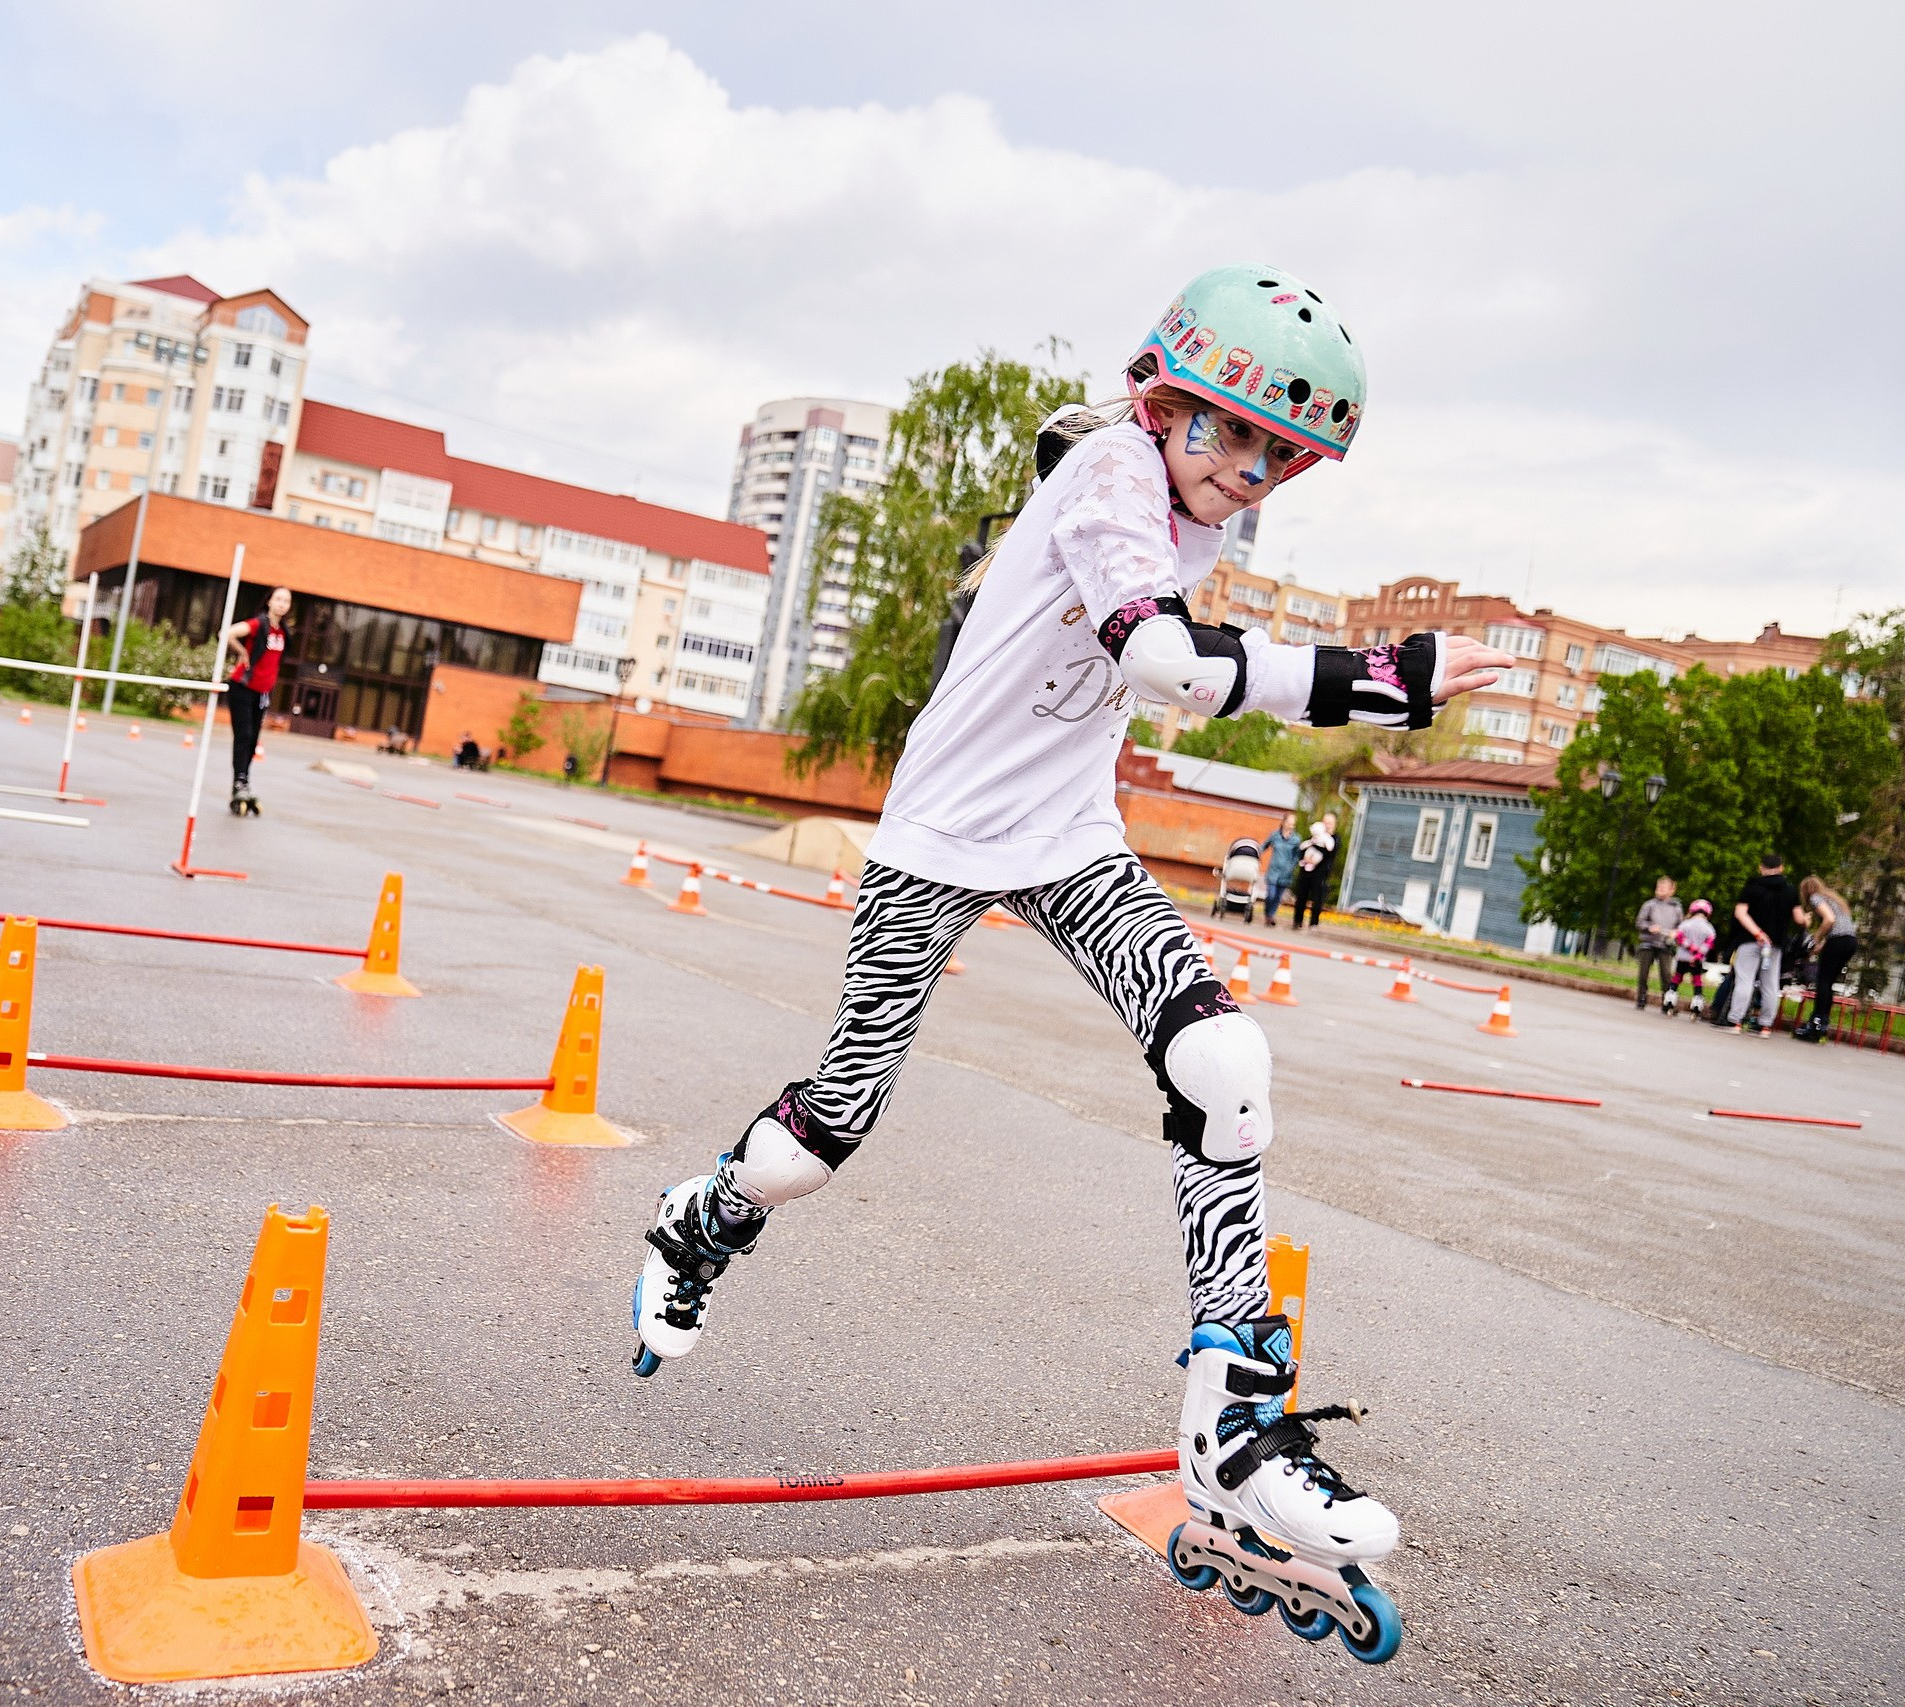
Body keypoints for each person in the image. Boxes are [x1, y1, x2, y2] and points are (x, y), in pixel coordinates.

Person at [627, 265, 1511, 1661]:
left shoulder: (1179, 492)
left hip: (1066, 842)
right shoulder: (1112, 469)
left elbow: (1157, 631)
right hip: (935, 840)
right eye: (1224, 435)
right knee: (828, 1131)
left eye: (1279, 455)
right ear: (1164, 405)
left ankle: (1230, 1419)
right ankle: (707, 1214)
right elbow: (1160, 659)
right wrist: (1387, 674)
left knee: (1224, 1057)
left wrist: (1366, 667)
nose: (1246, 471)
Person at [220, 586, 290, 817]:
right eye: (278, 599)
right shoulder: (258, 624)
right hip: (242, 687)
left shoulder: (283, 633)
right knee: (244, 736)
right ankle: (240, 782)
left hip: (262, 693)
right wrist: (242, 652)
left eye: (286, 601)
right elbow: (227, 633)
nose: (282, 604)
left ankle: (244, 782)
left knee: (253, 741)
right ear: (269, 601)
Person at [1714, 853, 1796, 1036]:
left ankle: (1735, 1020)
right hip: (1775, 945)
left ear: (1761, 867)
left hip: (1750, 940)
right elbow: (1798, 917)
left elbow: (1740, 912)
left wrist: (1757, 933)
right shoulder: (1790, 890)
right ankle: (1764, 1025)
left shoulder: (1753, 887)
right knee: (1770, 984)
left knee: (1745, 980)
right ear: (1781, 868)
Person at [1789, 877, 1858, 1043]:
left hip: (1838, 941)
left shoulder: (1816, 897)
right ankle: (1823, 1022)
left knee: (1823, 982)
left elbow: (1829, 920)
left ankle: (1816, 1022)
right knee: (1829, 982)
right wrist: (1820, 947)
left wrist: (1815, 938)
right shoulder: (1835, 899)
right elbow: (1838, 926)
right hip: (1849, 941)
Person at [1631, 877, 1682, 1011]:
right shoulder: (1649, 905)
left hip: (1665, 944)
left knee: (1666, 974)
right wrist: (1649, 927)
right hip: (1648, 942)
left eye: (1663, 888)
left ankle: (1668, 1001)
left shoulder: (1676, 908)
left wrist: (1675, 933)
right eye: (1658, 888)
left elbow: (1681, 927)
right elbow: (1639, 922)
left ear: (1672, 890)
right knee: (1643, 973)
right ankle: (1641, 998)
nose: (1659, 890)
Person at [1666, 899, 1715, 1016]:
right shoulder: (1709, 928)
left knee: (1677, 977)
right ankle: (1697, 1003)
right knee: (1697, 980)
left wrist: (1690, 948)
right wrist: (1697, 954)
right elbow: (1709, 943)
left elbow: (1679, 937)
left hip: (1683, 957)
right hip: (1697, 960)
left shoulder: (1685, 924)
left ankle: (1670, 998)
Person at [1290, 813, 1338, 929]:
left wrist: (1316, 845)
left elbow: (1330, 853)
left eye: (1329, 823)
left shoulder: (1334, 839)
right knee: (1301, 896)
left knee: (1317, 898)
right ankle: (1297, 921)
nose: (1327, 825)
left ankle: (1314, 922)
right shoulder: (1313, 836)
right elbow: (1303, 848)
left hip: (1320, 874)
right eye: (1325, 822)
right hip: (1306, 872)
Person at [1261, 821, 1301, 927]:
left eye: (1293, 823)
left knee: (1278, 897)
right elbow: (1264, 845)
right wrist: (1257, 853)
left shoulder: (1296, 839)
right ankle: (1267, 913)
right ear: (1284, 823)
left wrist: (1292, 866)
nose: (1291, 825)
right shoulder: (1275, 835)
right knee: (1271, 894)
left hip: (1286, 873)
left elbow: (1297, 856)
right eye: (1289, 822)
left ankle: (1271, 916)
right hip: (1274, 870)